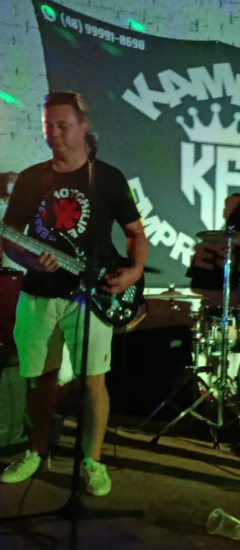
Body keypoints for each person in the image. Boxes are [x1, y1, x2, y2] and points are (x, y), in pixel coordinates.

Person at [0, 92, 148, 496]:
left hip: (93, 295)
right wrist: (30, 262)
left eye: (63, 125)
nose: (55, 133)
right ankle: (35, 452)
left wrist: (133, 272)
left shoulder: (108, 178)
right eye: (48, 125)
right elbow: (10, 238)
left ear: (84, 127)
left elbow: (135, 234)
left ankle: (92, 461)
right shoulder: (31, 179)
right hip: (39, 293)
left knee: (93, 381)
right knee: (38, 379)